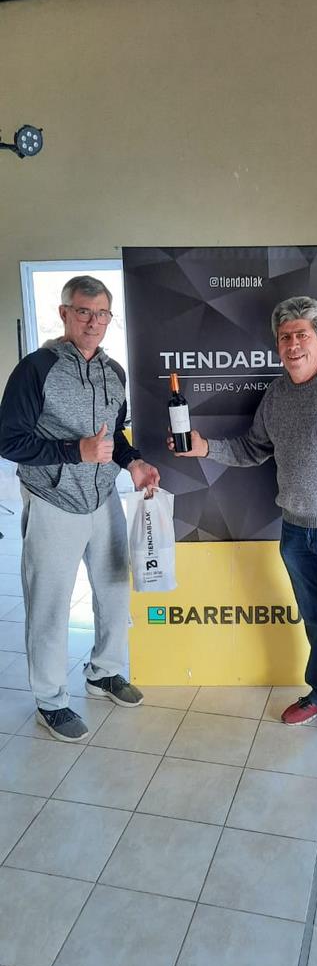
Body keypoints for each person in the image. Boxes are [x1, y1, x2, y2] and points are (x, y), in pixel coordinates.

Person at [168, 296, 317, 764]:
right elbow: (253, 449)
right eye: (285, 337)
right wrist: (204, 447)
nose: (293, 344)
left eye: (302, 335)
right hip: (296, 533)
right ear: (277, 345)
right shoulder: (277, 395)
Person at [0, 275, 160, 741]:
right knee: (50, 603)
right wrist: (75, 452)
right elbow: (9, 441)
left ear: (110, 318)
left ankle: (103, 673)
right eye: (84, 311)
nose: (94, 321)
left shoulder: (114, 373)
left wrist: (133, 463)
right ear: (64, 313)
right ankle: (51, 701)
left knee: (113, 589)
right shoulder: (36, 369)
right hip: (53, 499)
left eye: (102, 313)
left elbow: (114, 437)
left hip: (102, 497)